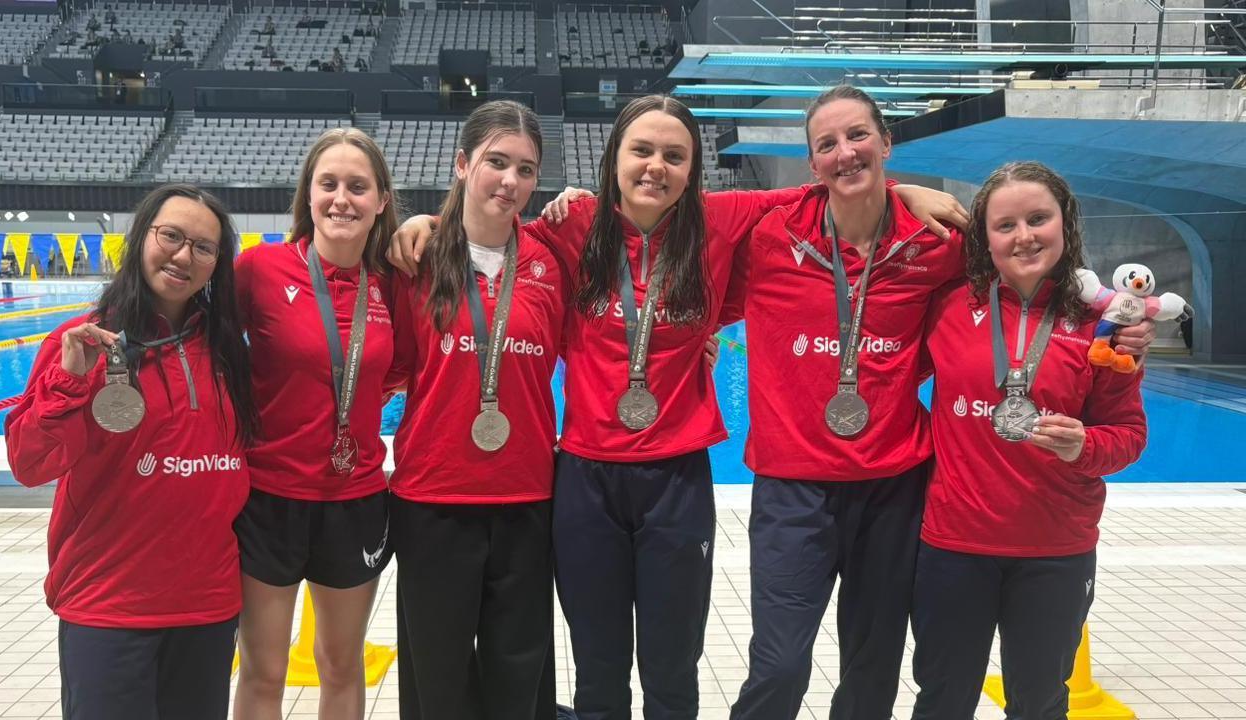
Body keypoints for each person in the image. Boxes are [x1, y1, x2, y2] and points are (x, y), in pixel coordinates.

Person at [391, 94, 963, 720]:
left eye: (674, 155)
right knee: (598, 666)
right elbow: (488, 234)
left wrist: (905, 192)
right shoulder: (570, 227)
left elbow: (834, 191)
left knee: (671, 667)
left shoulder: (720, 220)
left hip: (677, 480)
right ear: (614, 160)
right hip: (585, 478)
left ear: (693, 169)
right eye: (641, 150)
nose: (655, 166)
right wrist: (425, 222)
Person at [719, 86, 1154, 720]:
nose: (845, 152)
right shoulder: (771, 240)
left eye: (859, 135)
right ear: (811, 163)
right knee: (781, 667)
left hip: (898, 490)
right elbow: (690, 261)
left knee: (876, 673)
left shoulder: (944, 257)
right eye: (827, 144)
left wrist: (1116, 338)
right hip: (801, 492)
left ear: (887, 142)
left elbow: (1029, 280)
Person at [4, 184, 258, 720]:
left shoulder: (230, 349)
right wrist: (70, 380)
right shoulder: (81, 344)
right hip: (108, 603)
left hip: (206, 605)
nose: (184, 255)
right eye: (171, 236)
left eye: (204, 247)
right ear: (141, 236)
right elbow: (29, 465)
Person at [910, 161, 1148, 719]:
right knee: (942, 701)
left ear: (1065, 224)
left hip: (1055, 550)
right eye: (1006, 225)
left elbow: (1130, 435)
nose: (1024, 237)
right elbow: (885, 379)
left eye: (1038, 219)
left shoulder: (1105, 326)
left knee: (1040, 704)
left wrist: (1082, 445)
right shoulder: (946, 306)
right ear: (984, 237)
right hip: (953, 545)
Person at [388, 99, 565, 720]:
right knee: (436, 678)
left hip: (525, 498)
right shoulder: (413, 259)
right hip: (434, 498)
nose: (511, 182)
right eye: (496, 162)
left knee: (520, 675)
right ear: (462, 164)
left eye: (525, 168)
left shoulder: (550, 262)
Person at [232, 128, 400, 720]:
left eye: (358, 187)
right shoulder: (258, 270)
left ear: (381, 200)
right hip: (268, 499)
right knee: (264, 670)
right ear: (308, 194)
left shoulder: (393, 286)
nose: (340, 199)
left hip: (354, 500)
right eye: (328, 184)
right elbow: (193, 337)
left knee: (341, 666)